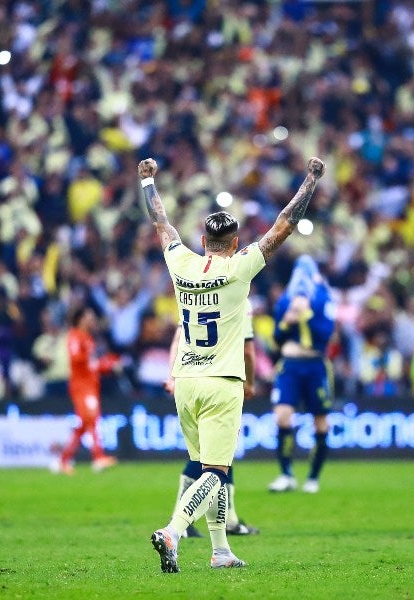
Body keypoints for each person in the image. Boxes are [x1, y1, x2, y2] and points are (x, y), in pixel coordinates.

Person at [141, 155, 326, 573]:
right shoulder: (240, 267)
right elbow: (283, 225)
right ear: (235, 239)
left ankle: (220, 549)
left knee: (210, 470)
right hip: (222, 381)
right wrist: (310, 181)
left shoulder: (182, 262)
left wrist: (148, 182)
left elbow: (161, 222)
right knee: (216, 472)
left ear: (203, 241)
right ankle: (173, 530)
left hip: (185, 379)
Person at [164, 302, 261, 539]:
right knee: (215, 459)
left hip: (188, 382)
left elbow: (178, 339)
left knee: (203, 454)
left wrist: (172, 377)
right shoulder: (238, 299)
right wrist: (249, 383)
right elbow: (248, 351)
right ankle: (177, 525)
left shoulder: (193, 292)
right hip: (220, 384)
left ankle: (227, 523)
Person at [267, 255, 337, 494]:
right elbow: (276, 339)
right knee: (282, 416)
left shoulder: (323, 299)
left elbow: (324, 335)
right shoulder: (284, 300)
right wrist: (286, 323)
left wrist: (305, 316)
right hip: (290, 365)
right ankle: (286, 474)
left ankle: (313, 477)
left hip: (316, 364)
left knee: (320, 422)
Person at [53, 306, 121, 475]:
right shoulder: (75, 336)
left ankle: (63, 460)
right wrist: (100, 363)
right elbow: (77, 359)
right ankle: (98, 457)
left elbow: (93, 365)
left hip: (90, 385)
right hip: (81, 386)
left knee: (85, 423)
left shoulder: (88, 338)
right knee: (92, 418)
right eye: (89, 317)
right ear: (81, 319)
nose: (92, 320)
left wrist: (108, 364)